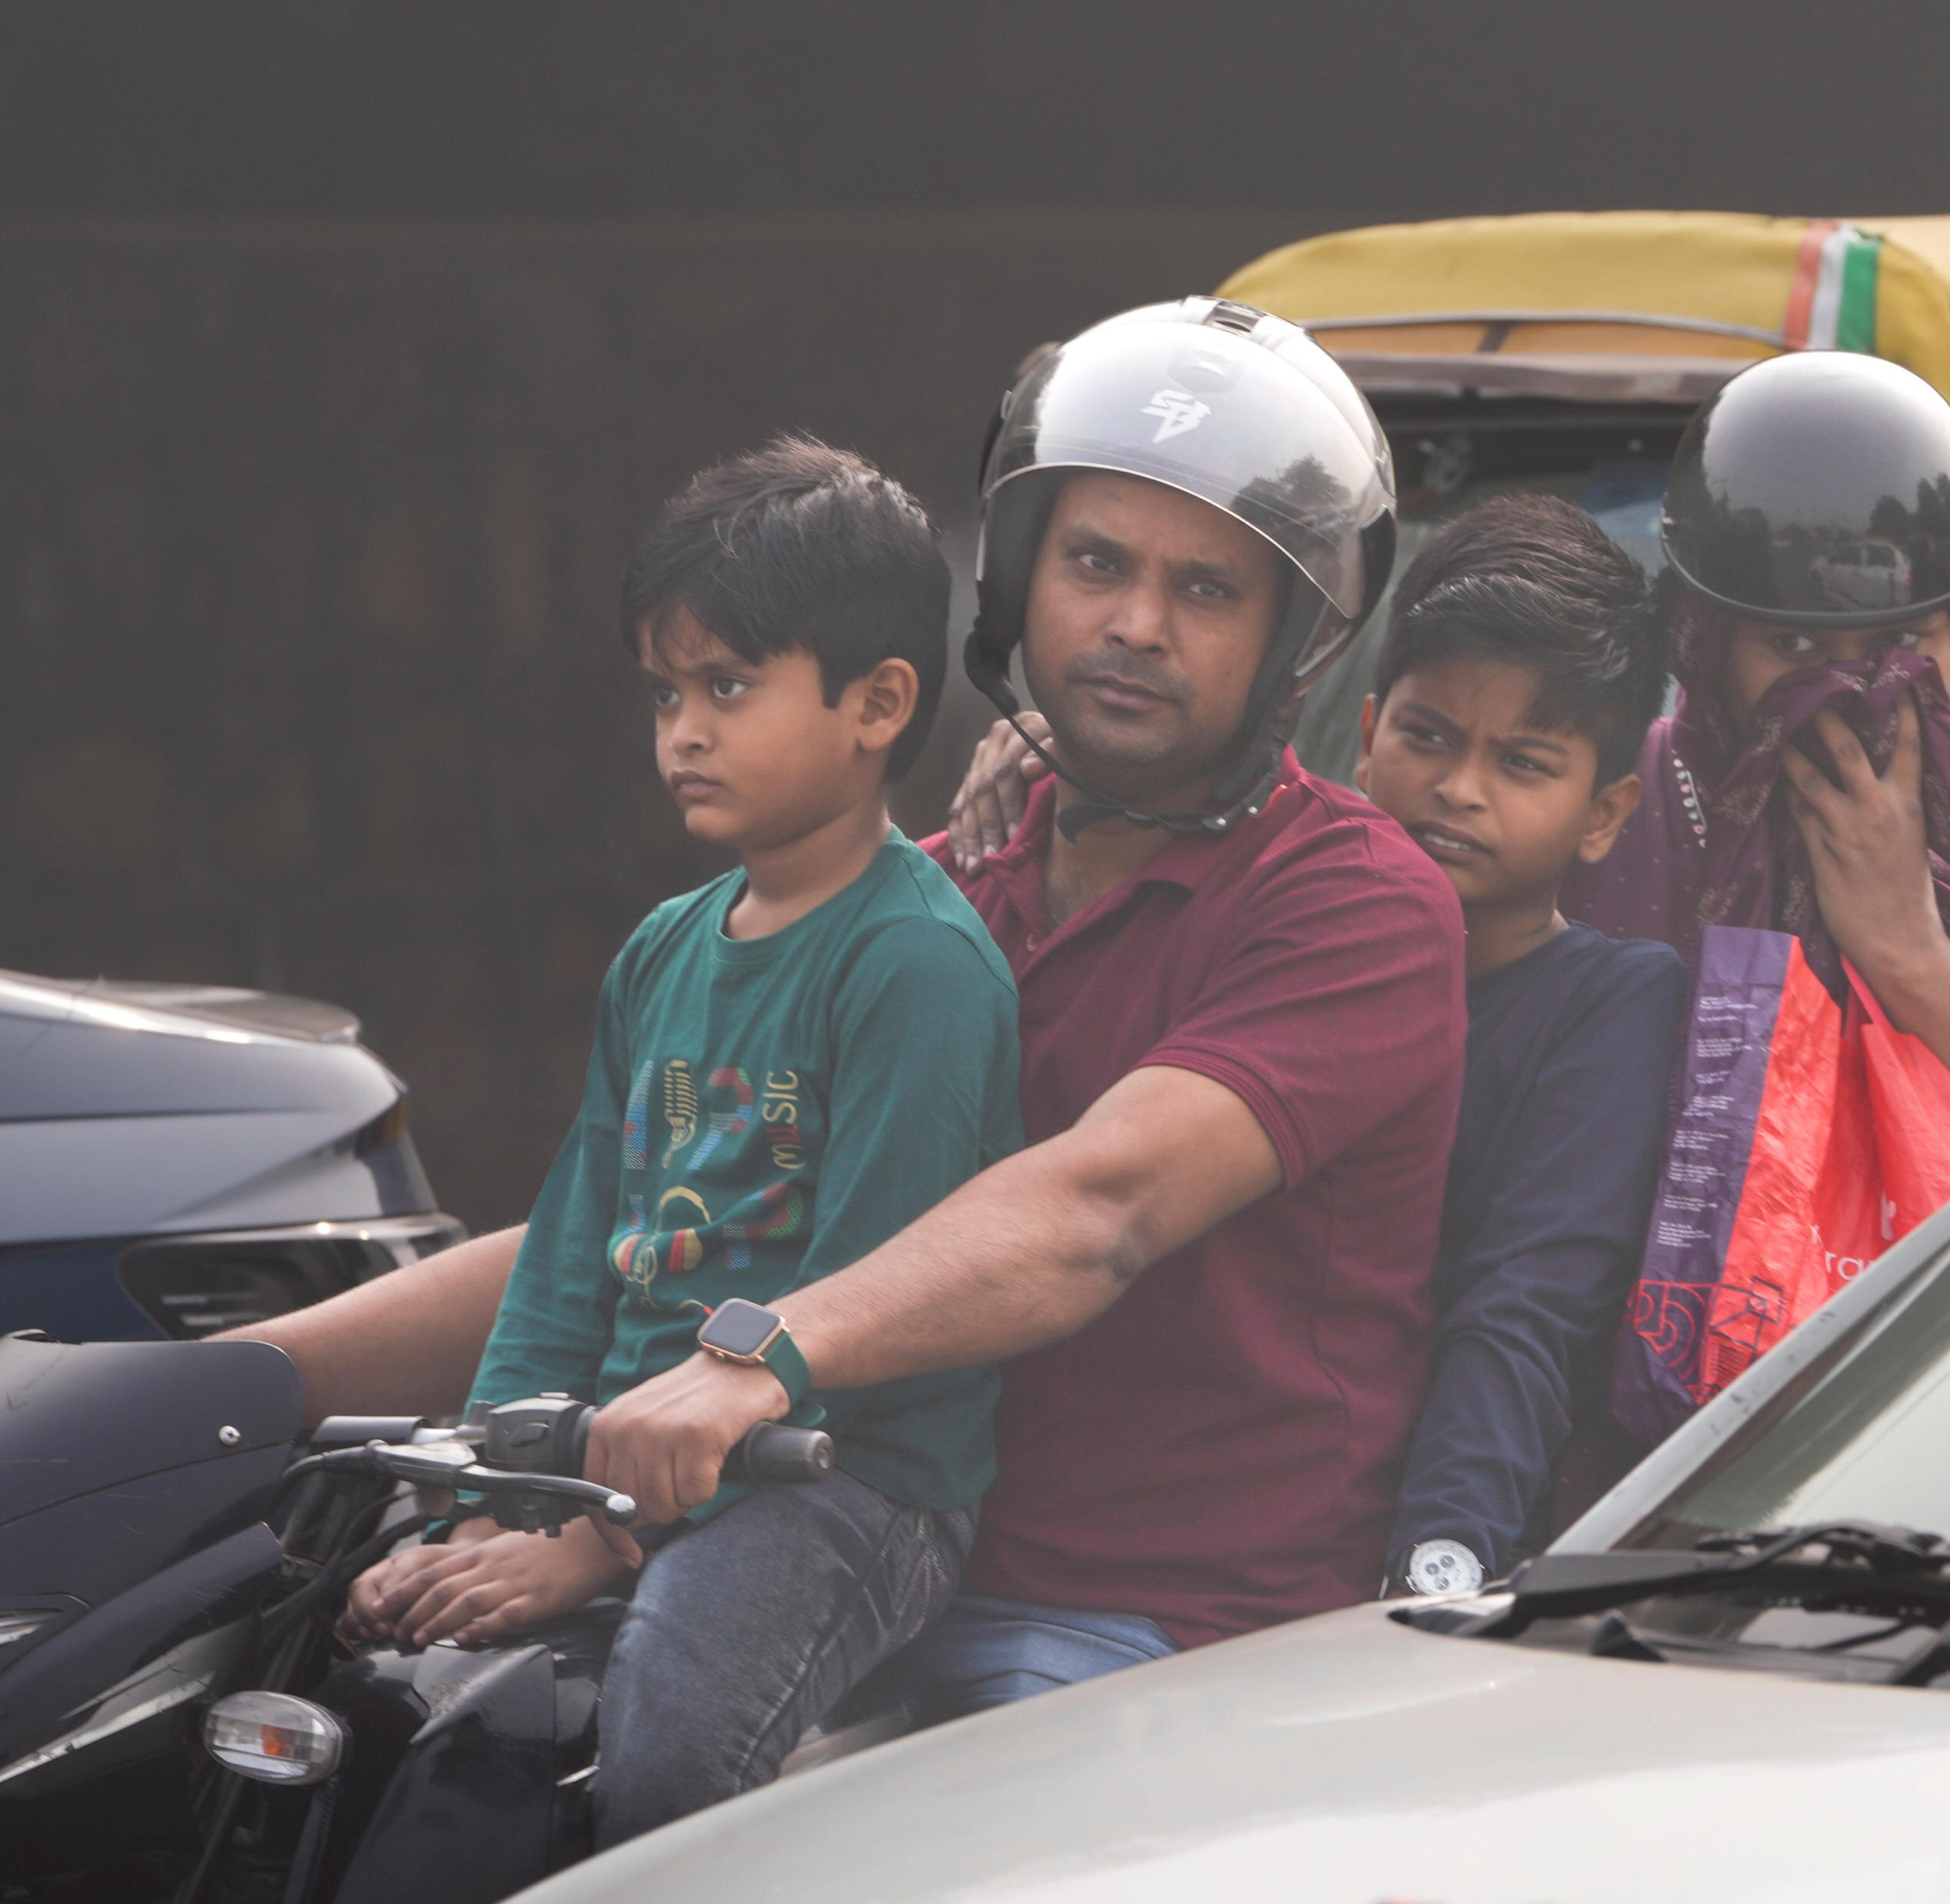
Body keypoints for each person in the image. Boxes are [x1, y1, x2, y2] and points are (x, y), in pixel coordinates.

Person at [571, 297, 1465, 1715]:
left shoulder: (1355, 903)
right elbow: (664, 1198)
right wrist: (249, 1375)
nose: (1137, 625)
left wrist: (760, 1352)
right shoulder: (924, 902)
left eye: (1208, 590)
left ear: (1289, 638)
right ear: (1014, 583)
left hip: (1151, 1633)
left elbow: (1100, 1210)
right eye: (1096, 562)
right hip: (853, 1560)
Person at [339, 438, 1021, 1845]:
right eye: (665, 692)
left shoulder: (916, 966)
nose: (682, 734)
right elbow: (574, 1247)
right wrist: (489, 1497)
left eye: (728, 687)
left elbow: (865, 1315)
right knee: (346, 1652)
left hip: (841, 1477)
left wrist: (597, 1542)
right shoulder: (663, 950)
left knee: (668, 1740)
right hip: (622, 1452)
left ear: (879, 703)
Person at [1573, 350, 1950, 1131]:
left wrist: (1910, 953)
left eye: (1900, 641)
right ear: (1708, 646)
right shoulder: (1593, 820)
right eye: (1794, 647)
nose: (1852, 688)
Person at [1350, 498, 1684, 1596]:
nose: (1460, 789)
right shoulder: (1280, 943)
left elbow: (1526, 1309)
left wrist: (1438, 1570)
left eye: (1524, 763)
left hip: (1410, 1539)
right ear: (1366, 737)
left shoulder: (1608, 1006)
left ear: (1604, 812)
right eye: (1427, 737)